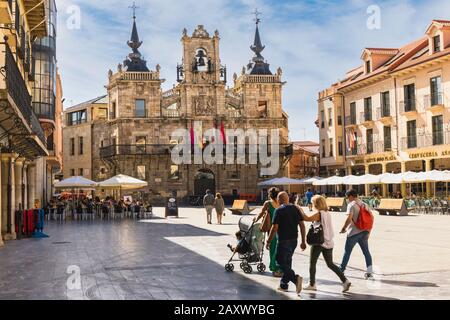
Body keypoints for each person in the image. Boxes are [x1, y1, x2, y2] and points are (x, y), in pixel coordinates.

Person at [301, 195, 351, 292]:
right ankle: (345, 281)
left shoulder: (319, 214)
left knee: (312, 263)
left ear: (316, 204)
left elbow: (306, 218)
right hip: (329, 241)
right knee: (330, 264)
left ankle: (312, 284)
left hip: (319, 242)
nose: (312, 204)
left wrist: (299, 209)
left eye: (313, 203)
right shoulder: (327, 213)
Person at [266, 192, 307, 294]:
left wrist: (268, 241)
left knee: (279, 262)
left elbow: (274, 228)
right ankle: (284, 284)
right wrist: (303, 241)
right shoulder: (296, 209)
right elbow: (302, 225)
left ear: (279, 200)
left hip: (283, 240)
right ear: (288, 199)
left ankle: (295, 278)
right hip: (294, 240)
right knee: (287, 262)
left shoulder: (278, 210)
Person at [339, 189, 374, 279]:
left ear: (351, 196)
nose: (347, 199)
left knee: (347, 252)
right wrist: (369, 231)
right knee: (366, 252)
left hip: (353, 233)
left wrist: (343, 228)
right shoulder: (364, 204)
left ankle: (341, 270)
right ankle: (369, 272)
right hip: (364, 231)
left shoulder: (351, 205)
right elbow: (372, 217)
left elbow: (349, 218)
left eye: (347, 197)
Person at [254, 187, 283, 277]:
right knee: (280, 249)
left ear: (270, 195)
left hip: (271, 229)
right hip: (282, 229)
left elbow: (261, 213)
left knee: (273, 248)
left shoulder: (268, 203)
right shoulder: (281, 203)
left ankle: (275, 268)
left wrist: (256, 219)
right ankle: (281, 268)